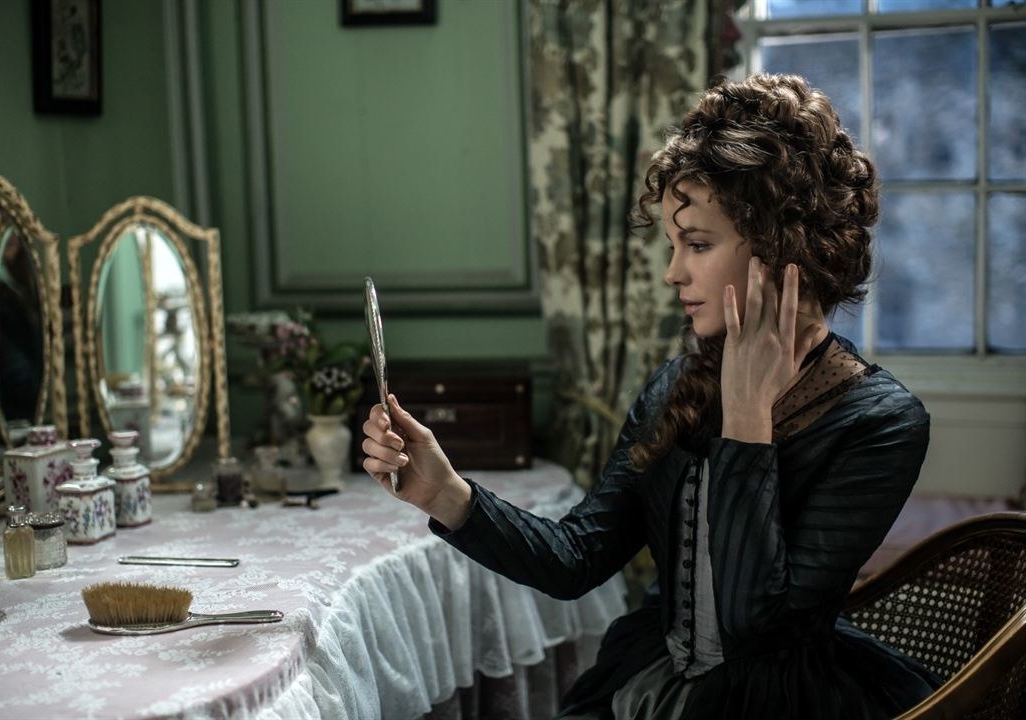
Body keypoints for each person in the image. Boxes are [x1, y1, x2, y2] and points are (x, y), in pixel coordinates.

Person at [360, 73, 942, 719]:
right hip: (651, 682)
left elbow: (754, 628)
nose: (672, 272)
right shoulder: (675, 386)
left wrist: (747, 419)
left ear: (782, 246)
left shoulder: (881, 423)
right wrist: (445, 493)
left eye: (697, 244)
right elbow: (576, 559)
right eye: (673, 244)